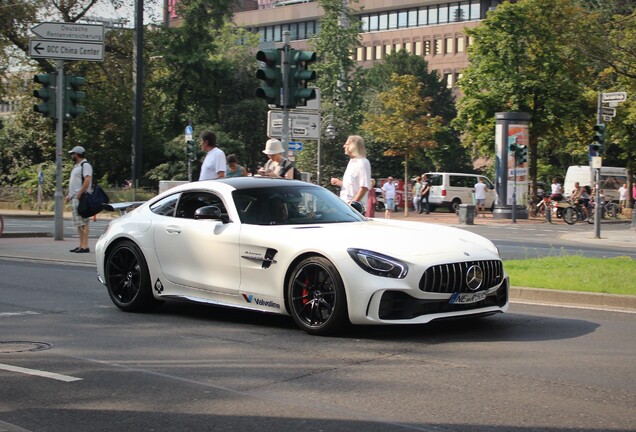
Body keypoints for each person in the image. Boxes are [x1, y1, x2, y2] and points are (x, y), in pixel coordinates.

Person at [330, 135, 372, 209]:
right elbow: (353, 185)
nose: (344, 146)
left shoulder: (363, 162)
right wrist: (339, 182)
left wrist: (352, 205)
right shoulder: (351, 162)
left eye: (346, 144)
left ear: (353, 146)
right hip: (345, 205)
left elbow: (364, 187)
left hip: (356, 208)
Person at [65, 146, 92, 253]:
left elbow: (87, 180)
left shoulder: (85, 165)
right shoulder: (77, 166)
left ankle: (85, 246)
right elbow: (75, 183)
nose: (72, 155)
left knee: (84, 222)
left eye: (73, 154)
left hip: (82, 197)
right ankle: (81, 245)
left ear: (77, 154)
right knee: (78, 223)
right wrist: (70, 195)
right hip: (76, 197)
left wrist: (80, 193)